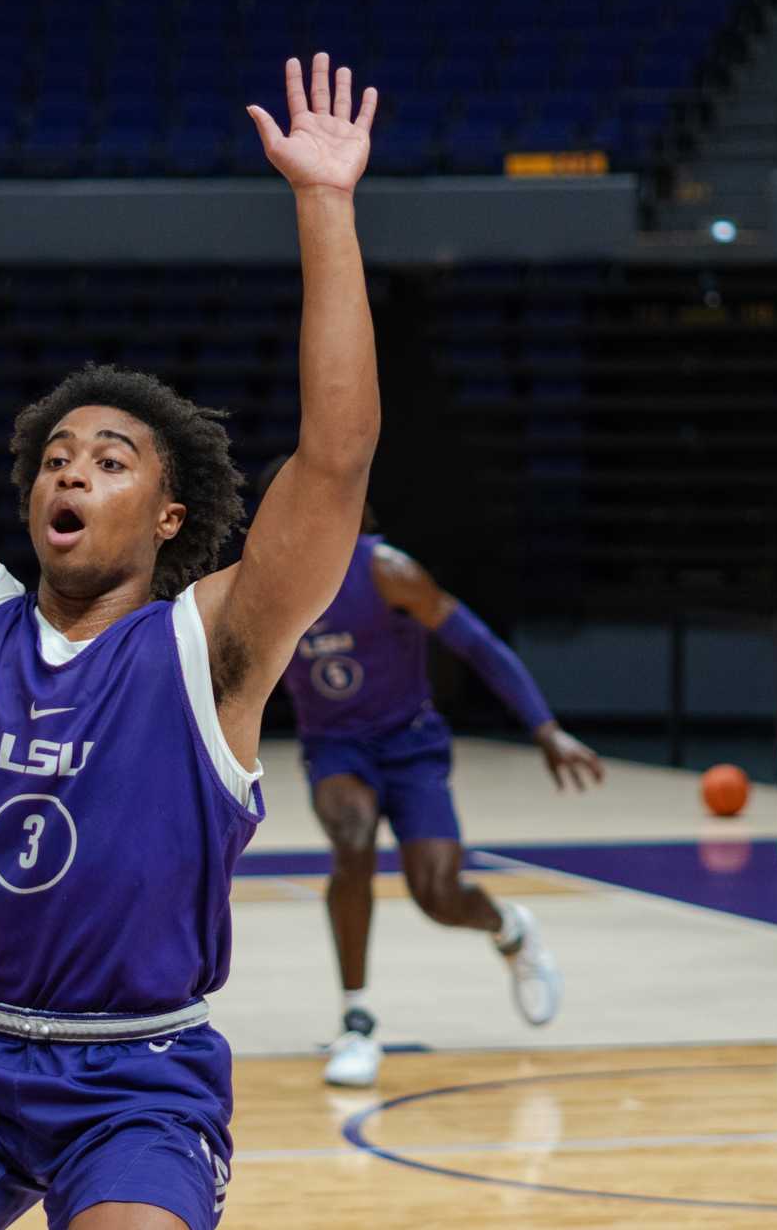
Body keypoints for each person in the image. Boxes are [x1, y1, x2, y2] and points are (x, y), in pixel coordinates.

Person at [0, 1, 380, 1230]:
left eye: (108, 457)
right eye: (57, 453)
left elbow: (335, 457)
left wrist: (326, 205)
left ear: (167, 514)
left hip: (138, 1073)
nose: (69, 470)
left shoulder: (215, 645)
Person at [256, 462, 600, 1088]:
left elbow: (479, 645)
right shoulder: (273, 583)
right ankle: (356, 1020)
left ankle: (510, 930)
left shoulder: (389, 571)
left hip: (411, 745)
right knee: (352, 839)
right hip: (337, 748)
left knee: (438, 894)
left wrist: (543, 727)